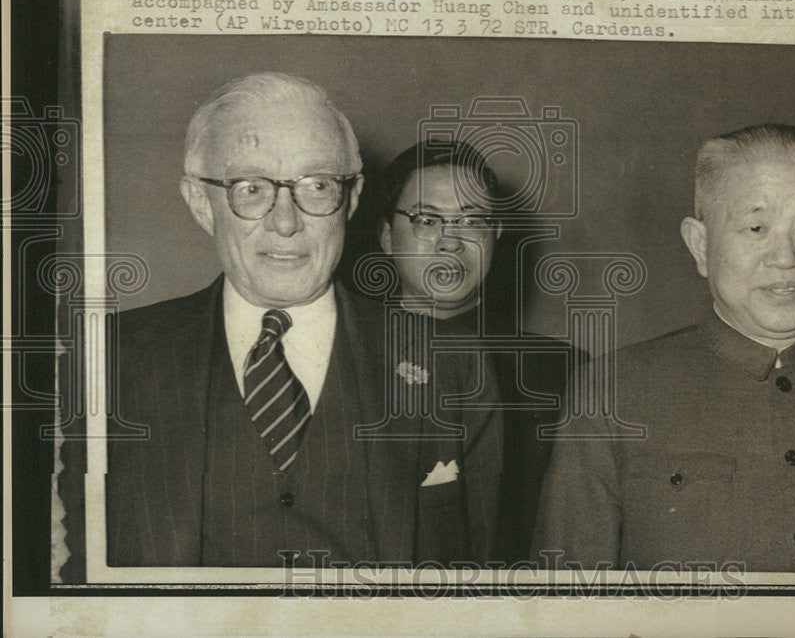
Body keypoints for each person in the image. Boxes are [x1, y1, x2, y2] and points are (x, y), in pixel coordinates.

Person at [96, 72, 501, 568]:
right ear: (202, 203)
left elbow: (476, 574)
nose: (285, 222)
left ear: (349, 201)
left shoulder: (452, 366)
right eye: (250, 188)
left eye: (317, 185)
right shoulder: (106, 358)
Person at [533, 123, 795, 573]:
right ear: (700, 244)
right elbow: (566, 604)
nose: (785, 257)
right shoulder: (613, 391)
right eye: (756, 227)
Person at [376, 140, 582, 563]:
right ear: (385, 236)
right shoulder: (341, 358)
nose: (450, 241)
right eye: (426, 219)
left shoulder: (561, 374)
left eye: (472, 220)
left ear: (496, 235)